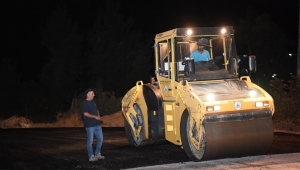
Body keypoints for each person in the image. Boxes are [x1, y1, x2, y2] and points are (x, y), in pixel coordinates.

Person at [81, 88, 105, 161]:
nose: (94, 95)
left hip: (97, 124)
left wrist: (98, 116)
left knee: (100, 138)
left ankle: (97, 153)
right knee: (90, 141)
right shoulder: (84, 103)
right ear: (88, 95)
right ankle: (91, 156)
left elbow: (96, 109)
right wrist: (95, 117)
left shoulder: (93, 102)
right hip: (90, 125)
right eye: (92, 94)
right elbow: (85, 113)